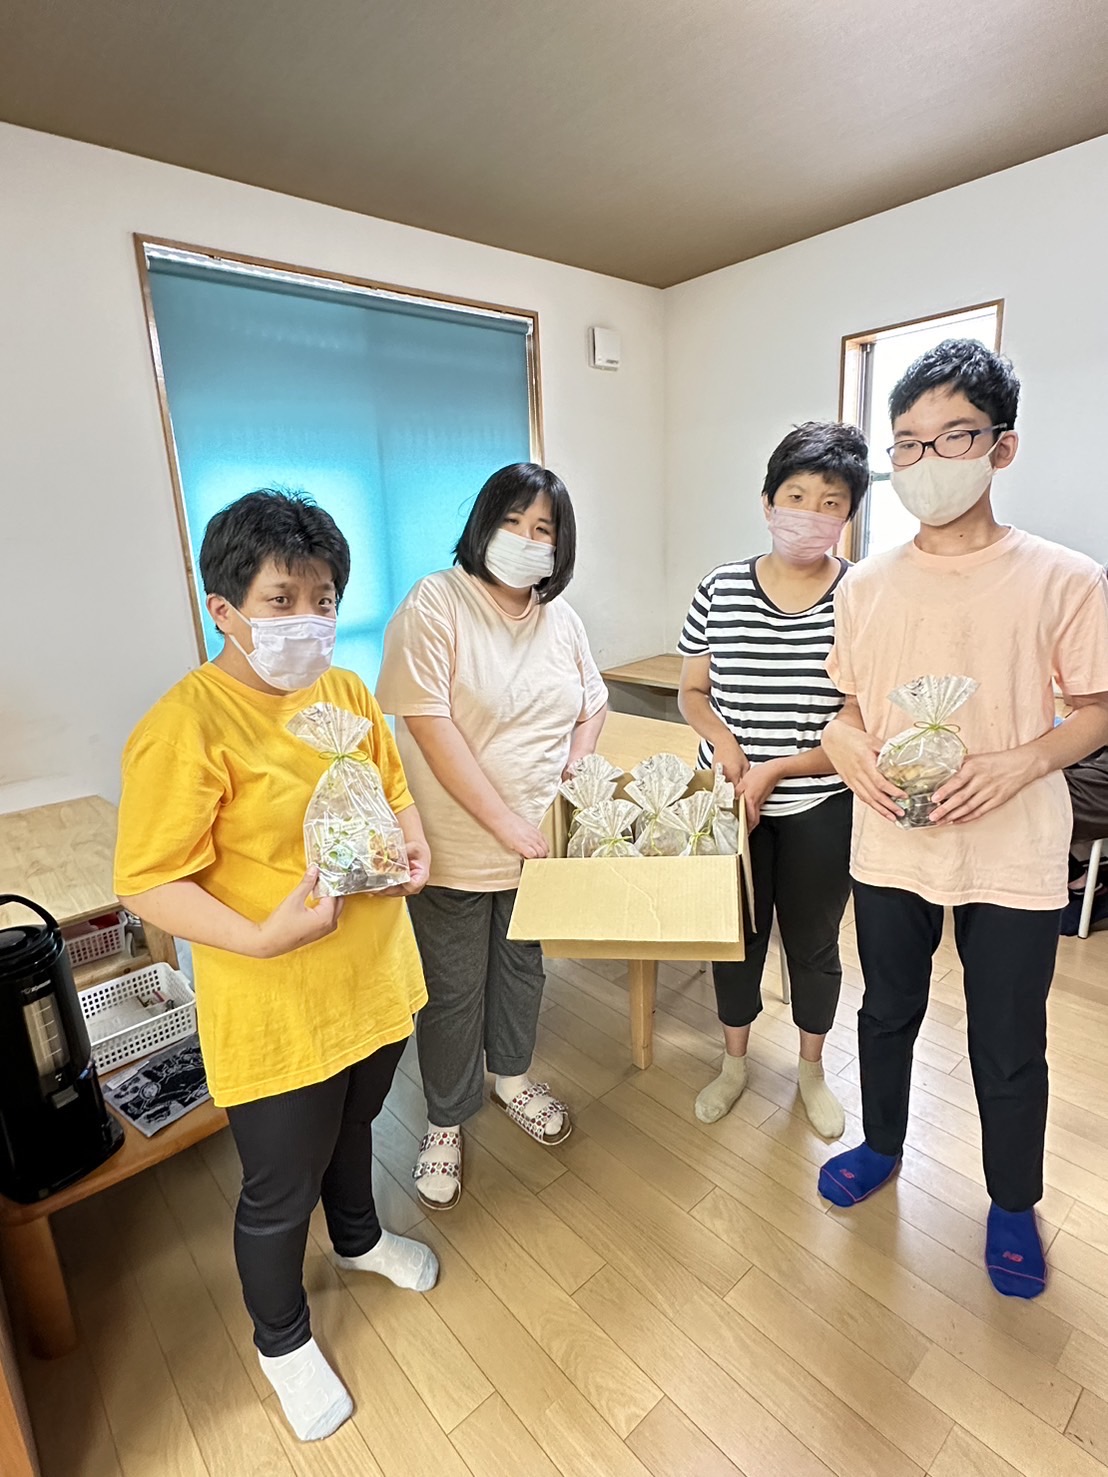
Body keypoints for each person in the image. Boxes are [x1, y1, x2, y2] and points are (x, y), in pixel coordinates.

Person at [114, 490, 436, 1443]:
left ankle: (361, 1237)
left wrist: (414, 840)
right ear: (224, 608)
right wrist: (257, 937)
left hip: (372, 976)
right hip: (277, 1003)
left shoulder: (345, 692)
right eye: (282, 599)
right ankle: (283, 1337)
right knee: (279, 1183)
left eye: (324, 598)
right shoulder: (187, 725)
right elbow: (147, 878)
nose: (309, 619)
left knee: (357, 1124)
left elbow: (392, 784)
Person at [817, 340, 1108, 1299]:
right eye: (906, 444)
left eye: (953, 438)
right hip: (891, 842)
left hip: (1014, 847)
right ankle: (883, 1143)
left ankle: (1013, 1200)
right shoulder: (864, 584)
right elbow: (847, 709)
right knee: (886, 1009)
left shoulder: (1065, 576)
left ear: (1001, 447)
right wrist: (845, 743)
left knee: (1008, 1037)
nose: (926, 462)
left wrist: (1022, 760)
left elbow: (1097, 708)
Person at [376, 463, 608, 1210]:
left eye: (544, 529)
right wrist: (504, 821)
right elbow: (428, 724)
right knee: (451, 989)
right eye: (513, 522)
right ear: (483, 524)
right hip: (454, 847)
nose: (527, 539)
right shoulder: (436, 602)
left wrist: (580, 760)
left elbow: (593, 703)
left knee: (521, 968)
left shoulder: (561, 620)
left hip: (538, 848)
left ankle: (511, 1078)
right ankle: (445, 1119)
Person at [677, 422, 869, 1136]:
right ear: (767, 502)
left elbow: (858, 722)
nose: (811, 513)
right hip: (731, 802)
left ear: (848, 515)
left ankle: (811, 1071)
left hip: (821, 800)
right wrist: (726, 746)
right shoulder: (719, 587)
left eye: (831, 502)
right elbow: (692, 692)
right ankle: (734, 1063)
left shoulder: (861, 595)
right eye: (796, 495)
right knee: (736, 937)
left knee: (814, 944)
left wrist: (780, 769)